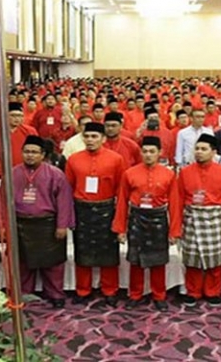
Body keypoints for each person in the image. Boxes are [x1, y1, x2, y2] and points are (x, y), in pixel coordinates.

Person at [113, 136, 181, 312]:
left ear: (160, 153)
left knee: (159, 261)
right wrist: (120, 228)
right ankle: (135, 295)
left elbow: (175, 203)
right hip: (137, 217)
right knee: (135, 261)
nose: (148, 155)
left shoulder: (169, 174)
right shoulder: (129, 173)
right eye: (145, 151)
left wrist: (174, 231)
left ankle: (159, 296)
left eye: (152, 151)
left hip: (158, 218)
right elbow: (122, 202)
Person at [65, 122, 126, 306]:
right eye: (87, 136)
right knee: (82, 250)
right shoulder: (73, 159)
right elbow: (68, 188)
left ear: (103, 138)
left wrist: (120, 217)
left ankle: (110, 289)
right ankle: (83, 290)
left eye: (94, 136)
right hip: (81, 209)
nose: (90, 140)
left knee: (109, 252)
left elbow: (121, 190)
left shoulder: (116, 159)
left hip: (106, 209)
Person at [176, 134, 221, 306]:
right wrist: (176, 226)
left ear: (214, 152)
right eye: (197, 149)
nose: (199, 152)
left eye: (204, 149)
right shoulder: (185, 172)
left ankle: (213, 291)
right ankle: (193, 291)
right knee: (192, 257)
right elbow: (178, 200)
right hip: (192, 216)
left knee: (215, 259)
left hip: (215, 217)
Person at [13, 135, 74, 308]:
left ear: (43, 155)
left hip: (48, 224)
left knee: (53, 264)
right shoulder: (13, 173)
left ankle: (55, 294)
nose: (30, 155)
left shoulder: (55, 174)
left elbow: (64, 202)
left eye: (34, 152)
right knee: (23, 263)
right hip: (21, 224)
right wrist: (3, 225)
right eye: (27, 152)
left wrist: (62, 225)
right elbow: (3, 201)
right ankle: (24, 293)